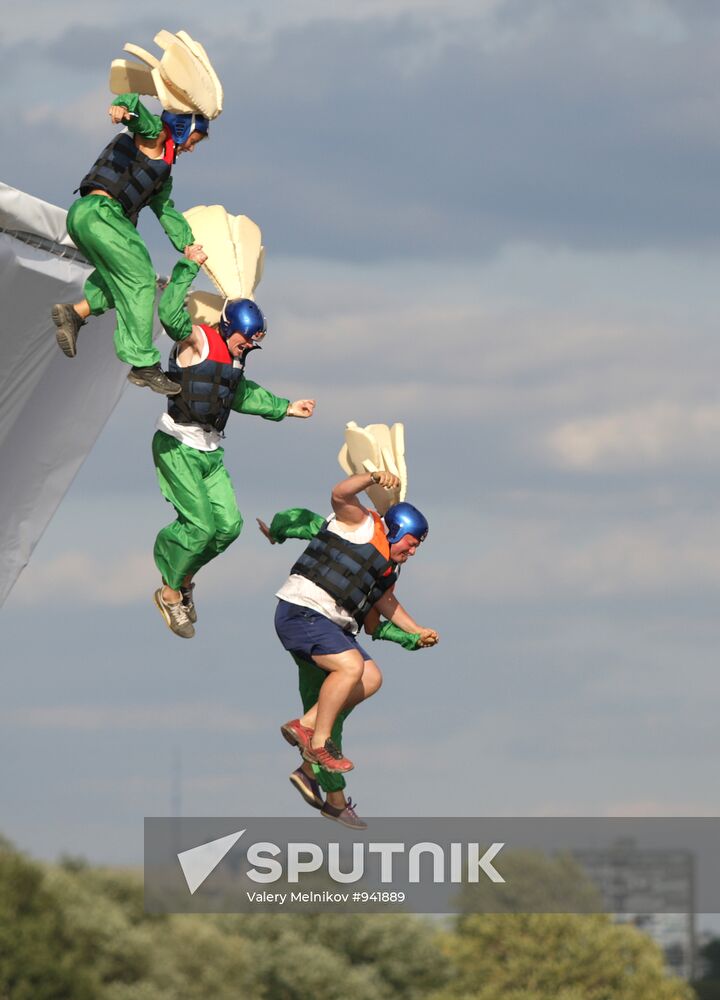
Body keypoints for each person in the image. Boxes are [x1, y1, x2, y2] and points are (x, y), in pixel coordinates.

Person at [152, 251, 315, 638]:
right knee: (200, 527)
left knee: (228, 528)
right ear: (230, 327)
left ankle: (184, 580)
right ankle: (170, 592)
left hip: (210, 452)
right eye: (246, 340)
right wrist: (188, 265)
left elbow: (239, 394)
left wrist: (286, 408)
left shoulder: (237, 359)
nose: (248, 348)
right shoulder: (198, 340)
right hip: (177, 447)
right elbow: (171, 314)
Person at [271, 473, 438, 827]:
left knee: (371, 676)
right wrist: (372, 478)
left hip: (330, 626)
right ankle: (313, 744)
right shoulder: (361, 525)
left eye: (417, 547)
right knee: (349, 668)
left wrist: (416, 632)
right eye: (410, 543)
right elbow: (338, 493)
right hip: (303, 611)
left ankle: (310, 741)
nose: (412, 552)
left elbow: (384, 611)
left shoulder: (384, 570)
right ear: (395, 531)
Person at [52, 94, 210, 395]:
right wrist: (122, 107)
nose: (192, 148)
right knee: (140, 280)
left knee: (120, 281)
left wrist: (188, 246)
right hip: (103, 215)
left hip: (83, 216)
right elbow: (136, 112)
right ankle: (143, 365)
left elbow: (166, 212)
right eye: (194, 140)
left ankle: (76, 313)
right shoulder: (153, 134)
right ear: (180, 129)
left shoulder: (163, 173)